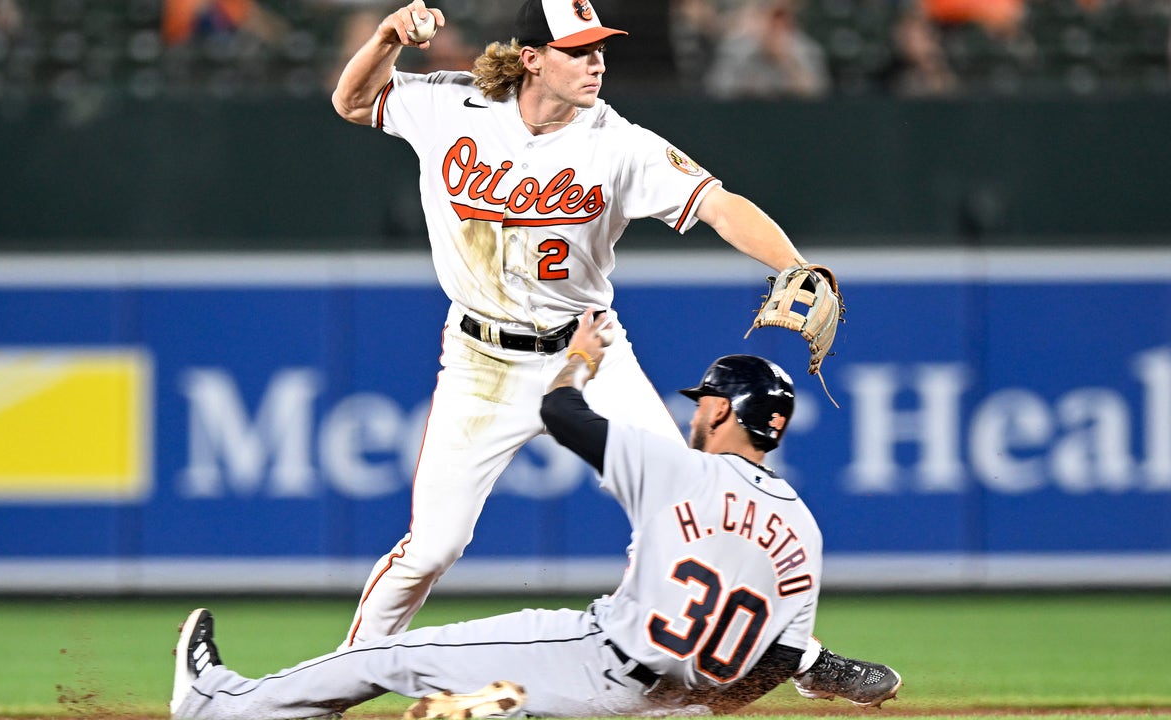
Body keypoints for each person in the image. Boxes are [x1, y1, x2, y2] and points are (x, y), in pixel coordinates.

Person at [327, 1, 894, 706]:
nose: (596, 61)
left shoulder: (618, 142)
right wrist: (385, 38)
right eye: (577, 49)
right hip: (480, 359)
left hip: (588, 350)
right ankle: (332, 683)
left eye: (601, 48)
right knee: (432, 548)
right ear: (532, 57)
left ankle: (798, 656)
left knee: (697, 505)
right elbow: (352, 101)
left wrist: (794, 264)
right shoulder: (451, 104)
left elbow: (718, 202)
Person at [168, 324, 902, 719]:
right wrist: (692, 707)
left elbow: (559, 414)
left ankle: (214, 705)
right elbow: (775, 663)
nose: (691, 412)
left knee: (385, 658)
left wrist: (578, 360)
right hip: (670, 705)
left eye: (699, 403)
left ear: (716, 411)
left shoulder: (680, 468)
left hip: (594, 659)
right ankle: (508, 712)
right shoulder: (803, 527)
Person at [703, 0, 830, 100]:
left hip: (795, 121)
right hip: (743, 120)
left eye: (782, 19)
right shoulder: (735, 49)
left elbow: (819, 94)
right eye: (772, 19)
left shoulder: (807, 49)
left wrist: (787, 62)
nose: (776, 26)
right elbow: (717, 90)